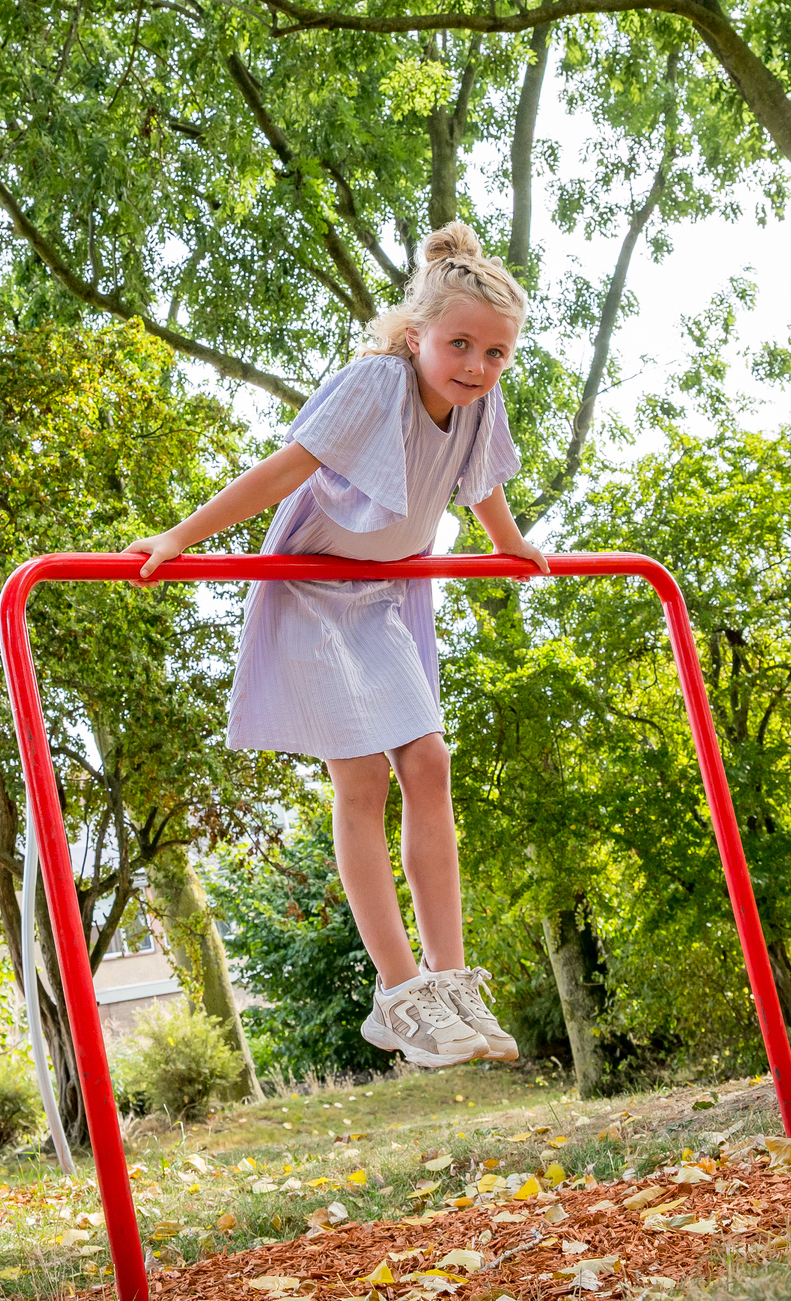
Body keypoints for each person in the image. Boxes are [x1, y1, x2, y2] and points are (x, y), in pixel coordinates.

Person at [126, 221, 548, 1067]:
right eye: (459, 344)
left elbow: (483, 484)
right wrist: (181, 536)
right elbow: (284, 470)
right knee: (360, 777)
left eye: (496, 353)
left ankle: (451, 977)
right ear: (416, 334)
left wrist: (514, 544)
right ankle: (402, 995)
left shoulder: (480, 400)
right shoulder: (374, 385)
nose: (476, 365)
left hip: (388, 595)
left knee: (428, 764)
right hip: (316, 588)